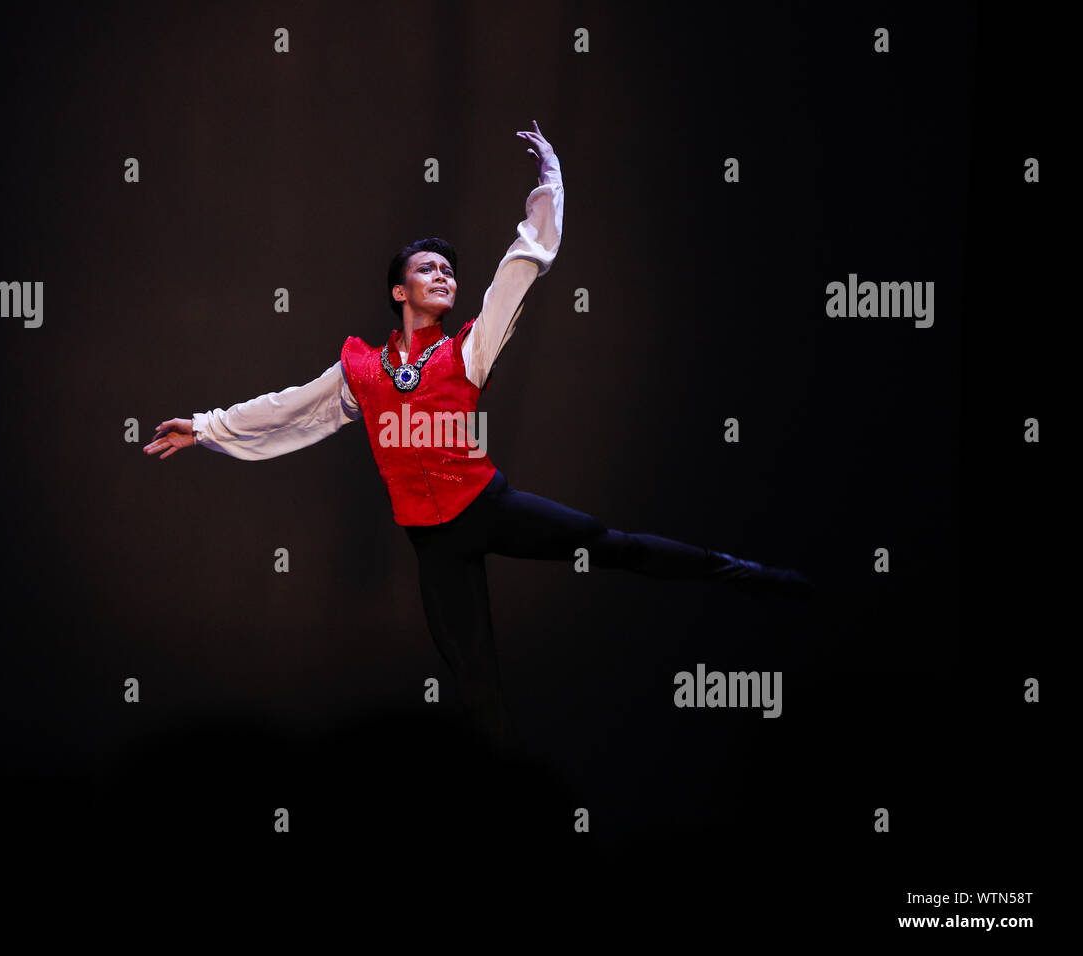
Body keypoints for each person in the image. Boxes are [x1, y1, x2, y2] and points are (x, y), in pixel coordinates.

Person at [145, 120, 811, 754]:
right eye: (428, 269)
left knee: (613, 545)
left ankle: (746, 574)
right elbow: (288, 409)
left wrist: (551, 177)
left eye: (449, 271)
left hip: (489, 508)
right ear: (398, 291)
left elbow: (524, 261)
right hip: (434, 544)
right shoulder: (359, 370)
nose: (444, 276)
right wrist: (204, 428)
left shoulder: (469, 350)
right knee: (476, 679)